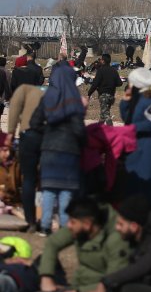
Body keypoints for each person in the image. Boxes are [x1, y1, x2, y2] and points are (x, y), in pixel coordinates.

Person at [29, 63, 87, 236]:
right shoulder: (74, 100)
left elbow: (34, 123)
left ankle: (45, 226)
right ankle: (63, 226)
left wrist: (47, 132)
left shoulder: (47, 98)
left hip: (49, 148)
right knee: (66, 190)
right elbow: (79, 129)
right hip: (69, 150)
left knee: (49, 189)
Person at [38, 198, 130, 292]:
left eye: (72, 222)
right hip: (78, 286)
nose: (68, 225)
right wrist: (46, 276)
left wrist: (79, 291)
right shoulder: (80, 225)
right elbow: (53, 242)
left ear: (87, 224)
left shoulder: (116, 240)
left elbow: (114, 279)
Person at [119, 68, 151, 202]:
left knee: (146, 180)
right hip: (134, 144)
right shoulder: (136, 98)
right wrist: (125, 102)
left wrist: (131, 129)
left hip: (147, 144)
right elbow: (127, 118)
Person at [7, 84, 44, 231]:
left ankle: (31, 220)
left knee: (28, 178)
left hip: (28, 135)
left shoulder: (24, 89)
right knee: (43, 180)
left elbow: (14, 108)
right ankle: (44, 217)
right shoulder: (55, 92)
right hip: (50, 137)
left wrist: (10, 132)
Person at [86, 54, 123, 126]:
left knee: (106, 114)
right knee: (103, 114)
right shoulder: (114, 70)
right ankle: (98, 129)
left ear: (103, 61)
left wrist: (89, 93)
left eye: (101, 60)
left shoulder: (101, 70)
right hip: (111, 96)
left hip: (103, 96)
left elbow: (95, 84)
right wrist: (112, 84)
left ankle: (111, 130)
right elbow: (120, 83)